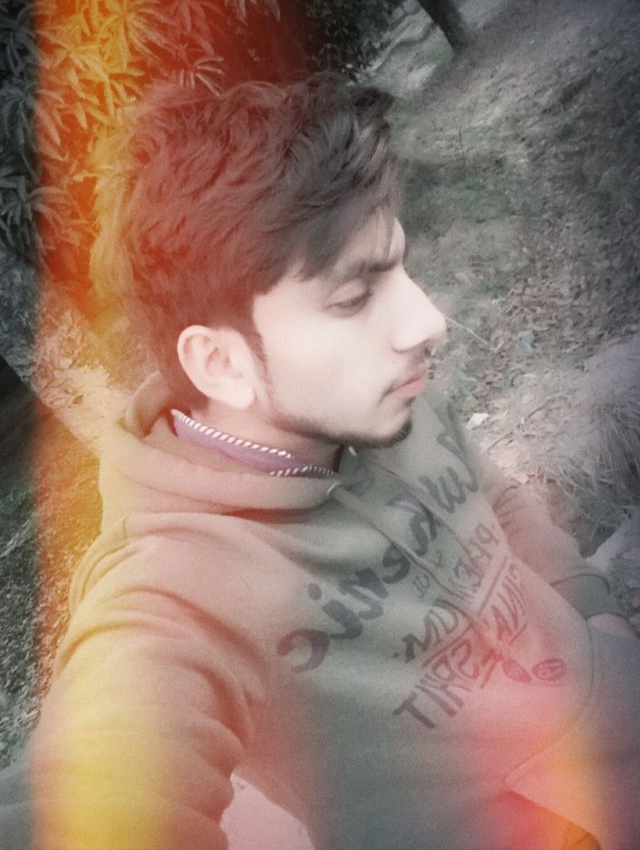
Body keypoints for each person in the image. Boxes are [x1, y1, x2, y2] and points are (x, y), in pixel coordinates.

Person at [1, 74, 640, 850]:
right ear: (223, 364)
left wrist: (595, 613)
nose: (426, 321)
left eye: (399, 266)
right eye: (352, 299)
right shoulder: (177, 583)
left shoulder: (378, 395)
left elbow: (493, 498)